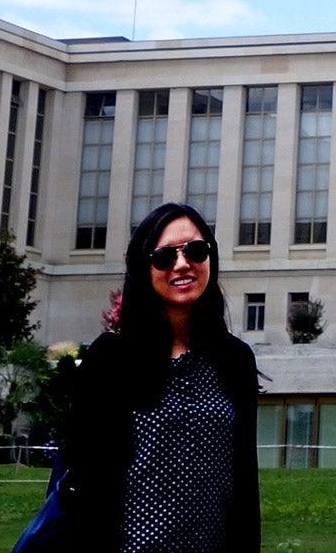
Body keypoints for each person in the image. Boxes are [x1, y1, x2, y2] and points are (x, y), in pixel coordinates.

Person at [58, 200, 261, 552]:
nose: (183, 264)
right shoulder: (111, 359)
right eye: (164, 256)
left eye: (196, 250)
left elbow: (245, 485)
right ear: (143, 268)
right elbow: (88, 487)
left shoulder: (234, 360)